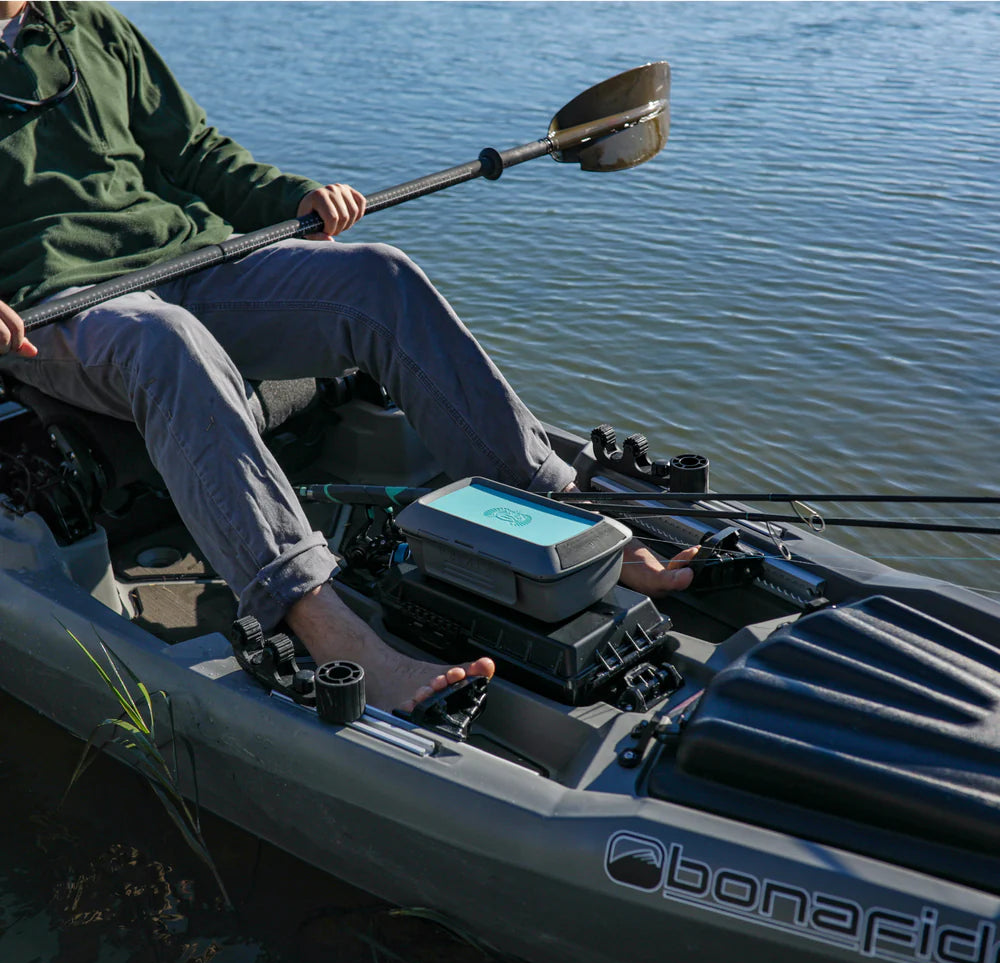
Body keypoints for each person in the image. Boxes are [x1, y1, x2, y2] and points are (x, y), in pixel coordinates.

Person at [0, 1, 697, 712]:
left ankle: (557, 509)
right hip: (50, 304)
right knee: (165, 341)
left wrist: (293, 198)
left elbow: (194, 153)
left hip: (185, 256)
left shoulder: (89, 23)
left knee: (378, 276)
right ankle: (323, 624)